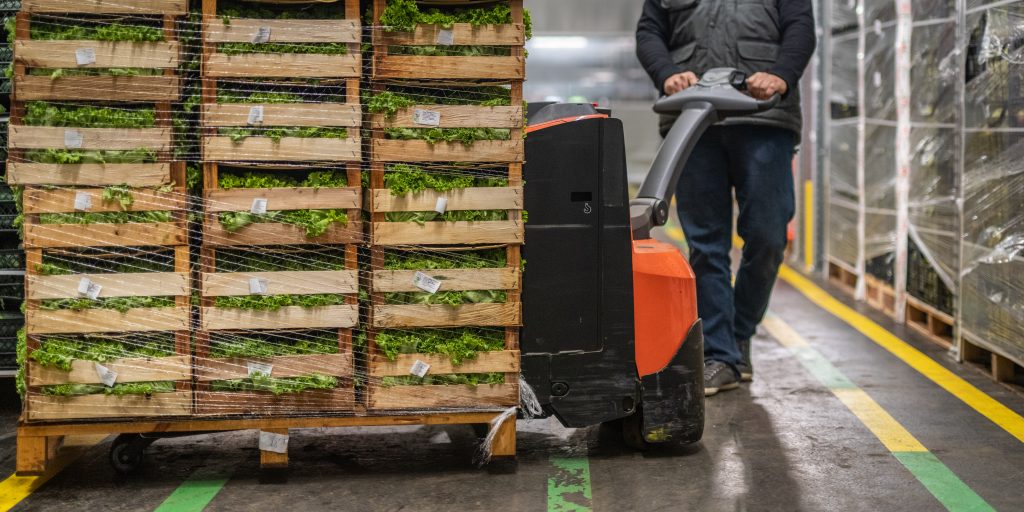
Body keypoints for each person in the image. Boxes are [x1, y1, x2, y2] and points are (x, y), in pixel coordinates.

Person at [635, 0, 816, 396]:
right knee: (706, 243)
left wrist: (782, 76)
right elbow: (649, 32)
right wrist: (666, 74)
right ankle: (721, 355)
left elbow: (801, 28)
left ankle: (738, 333)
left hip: (764, 117)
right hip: (693, 118)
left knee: (768, 236)